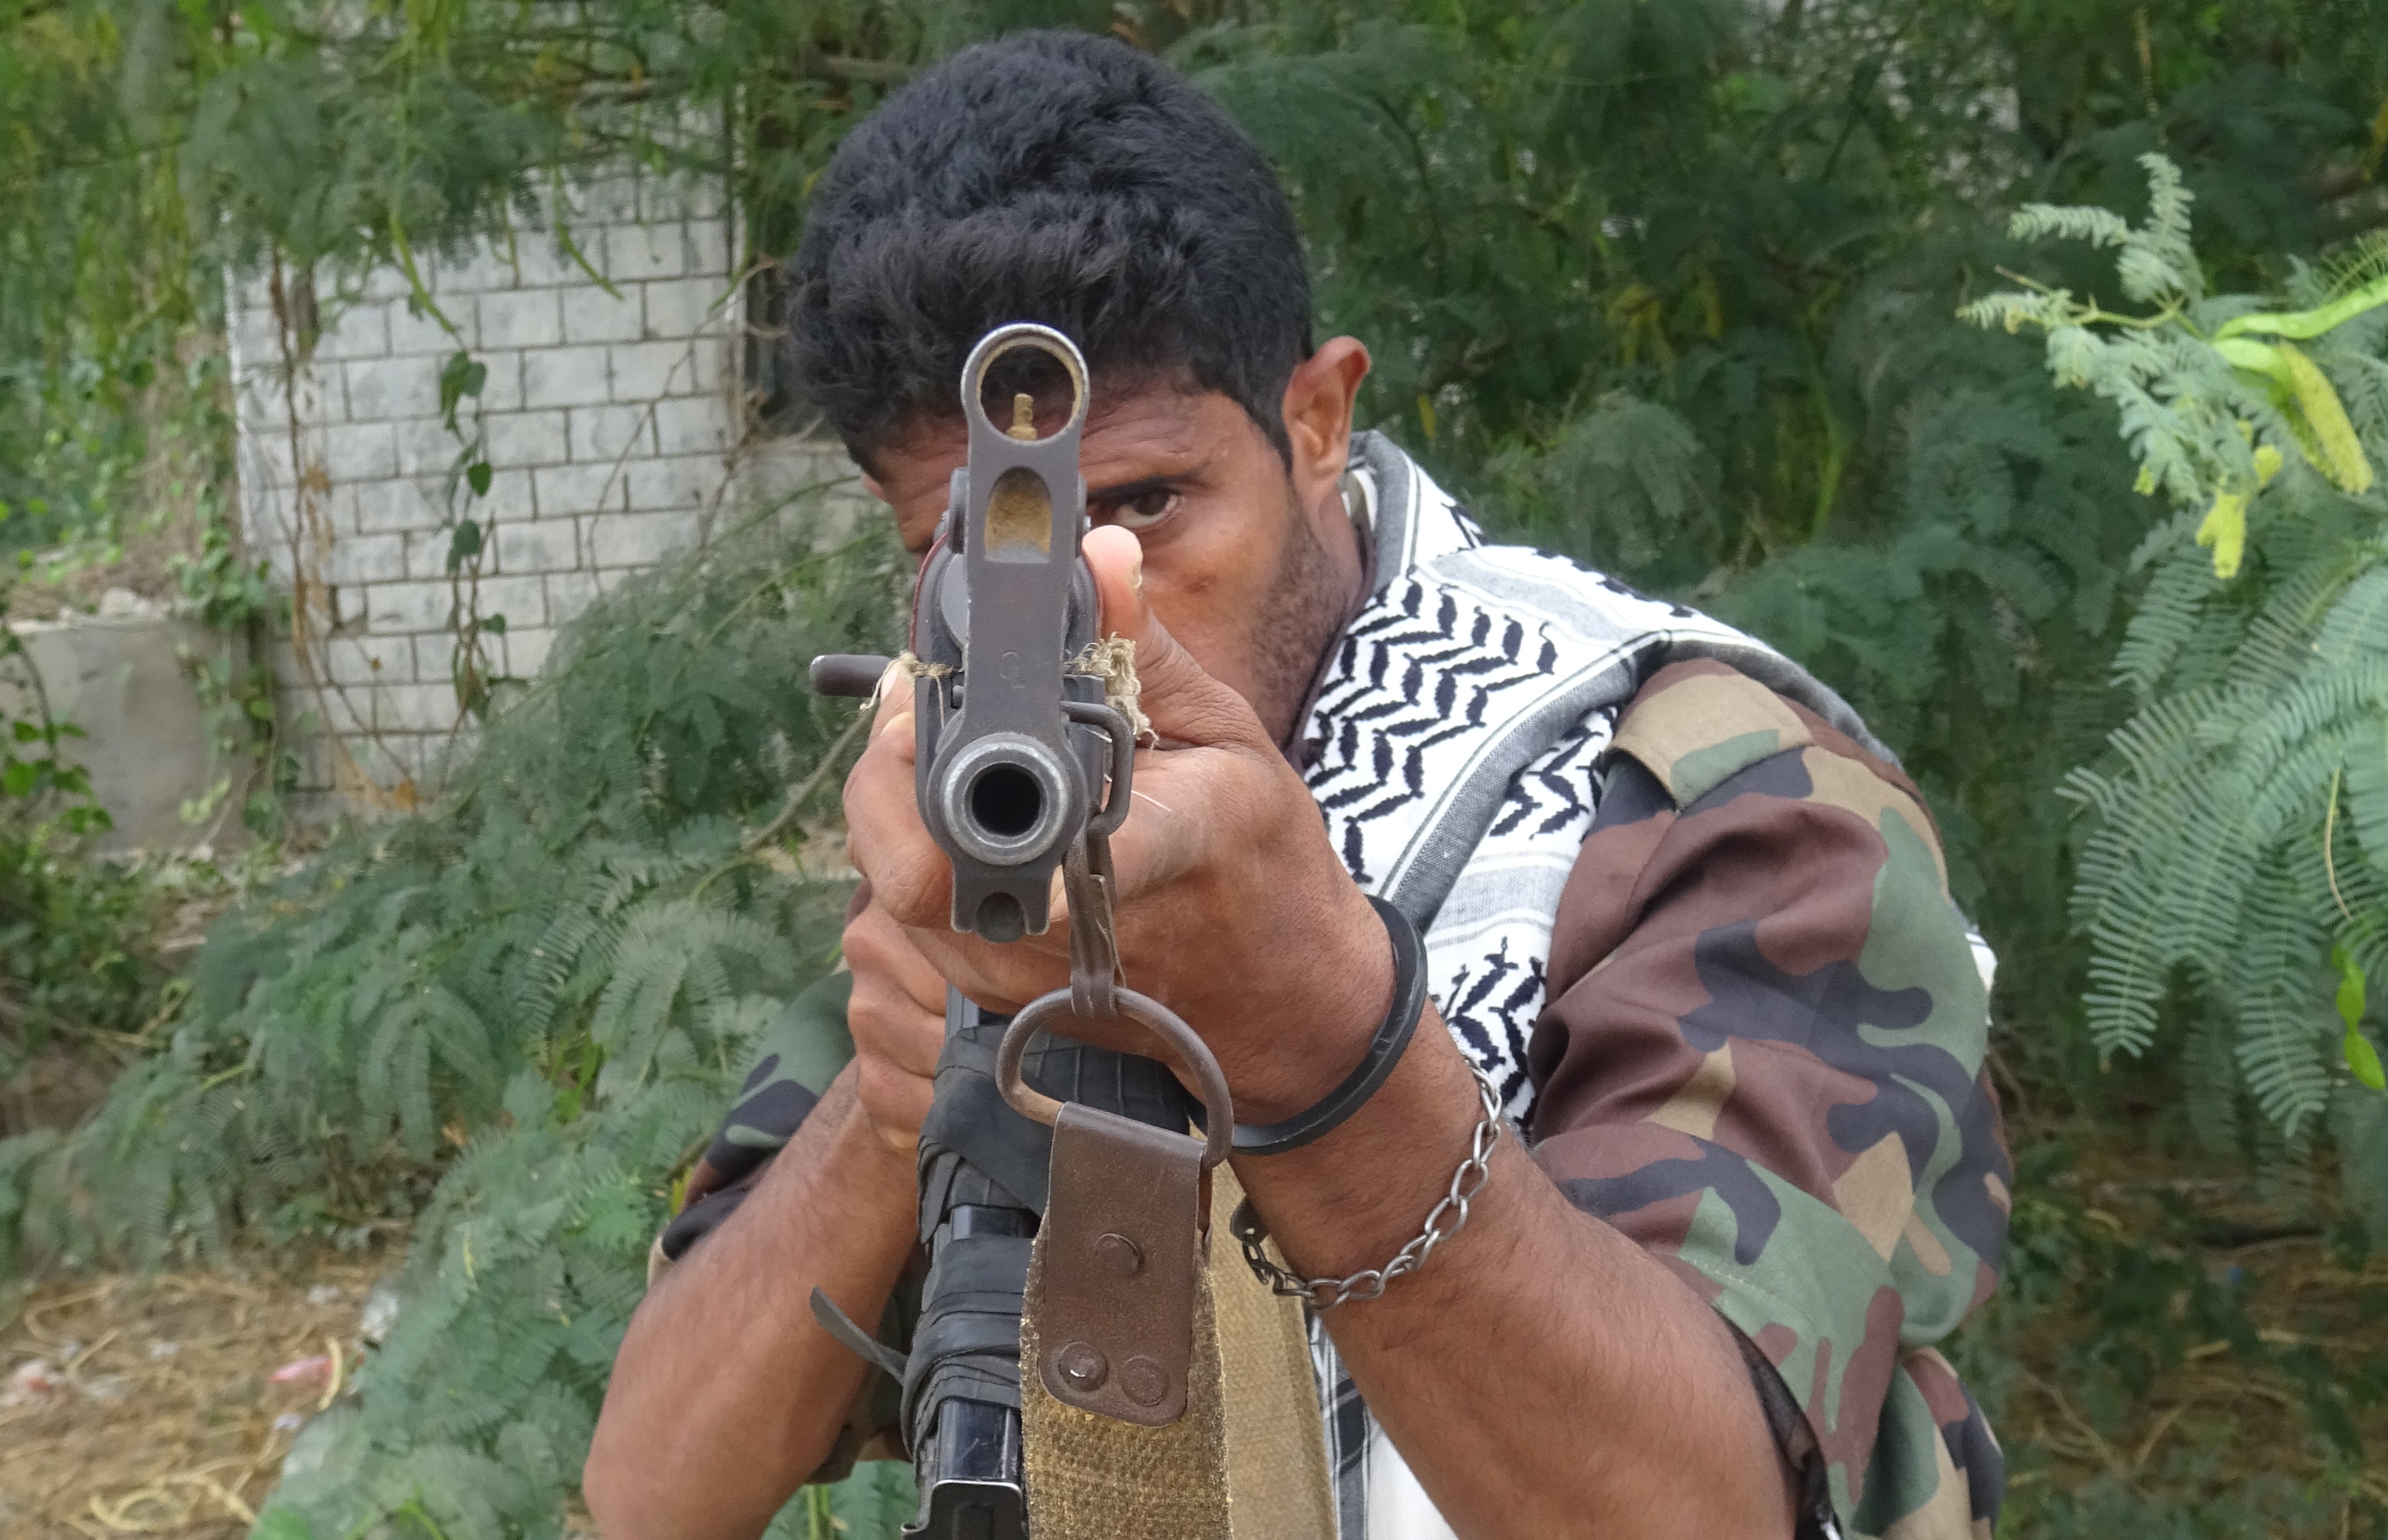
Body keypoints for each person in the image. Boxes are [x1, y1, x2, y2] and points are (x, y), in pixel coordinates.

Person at [581, 30, 2008, 1540]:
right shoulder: (1001, 797)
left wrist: (1318, 1047)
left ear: (1316, 422)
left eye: (1146, 503)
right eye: (981, 545)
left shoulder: (1694, 787)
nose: (1091, 599)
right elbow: (654, 1486)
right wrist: (896, 1105)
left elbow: (1697, 1510)